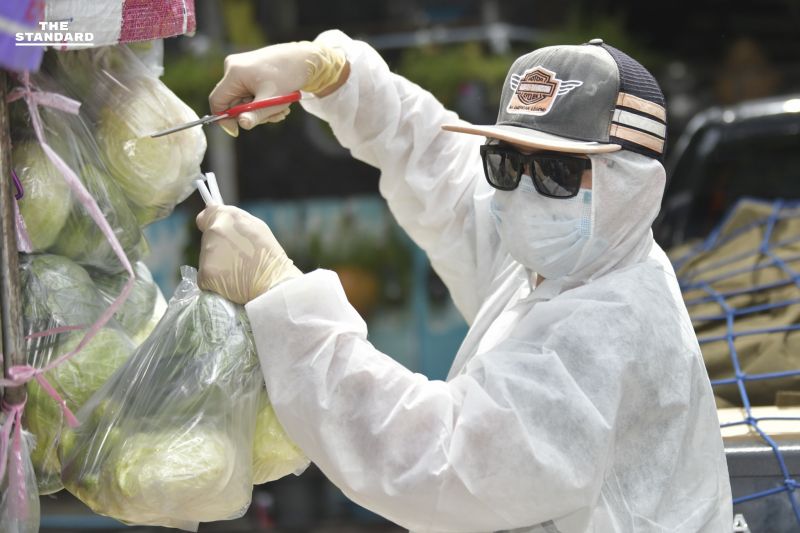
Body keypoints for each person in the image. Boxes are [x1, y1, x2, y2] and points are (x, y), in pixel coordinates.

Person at [197, 31, 733, 532]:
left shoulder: (611, 328)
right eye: (505, 161)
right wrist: (332, 73)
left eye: (559, 172)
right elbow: (436, 161)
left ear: (631, 186)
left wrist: (281, 295)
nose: (524, 191)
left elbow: (434, 462)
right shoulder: (559, 260)